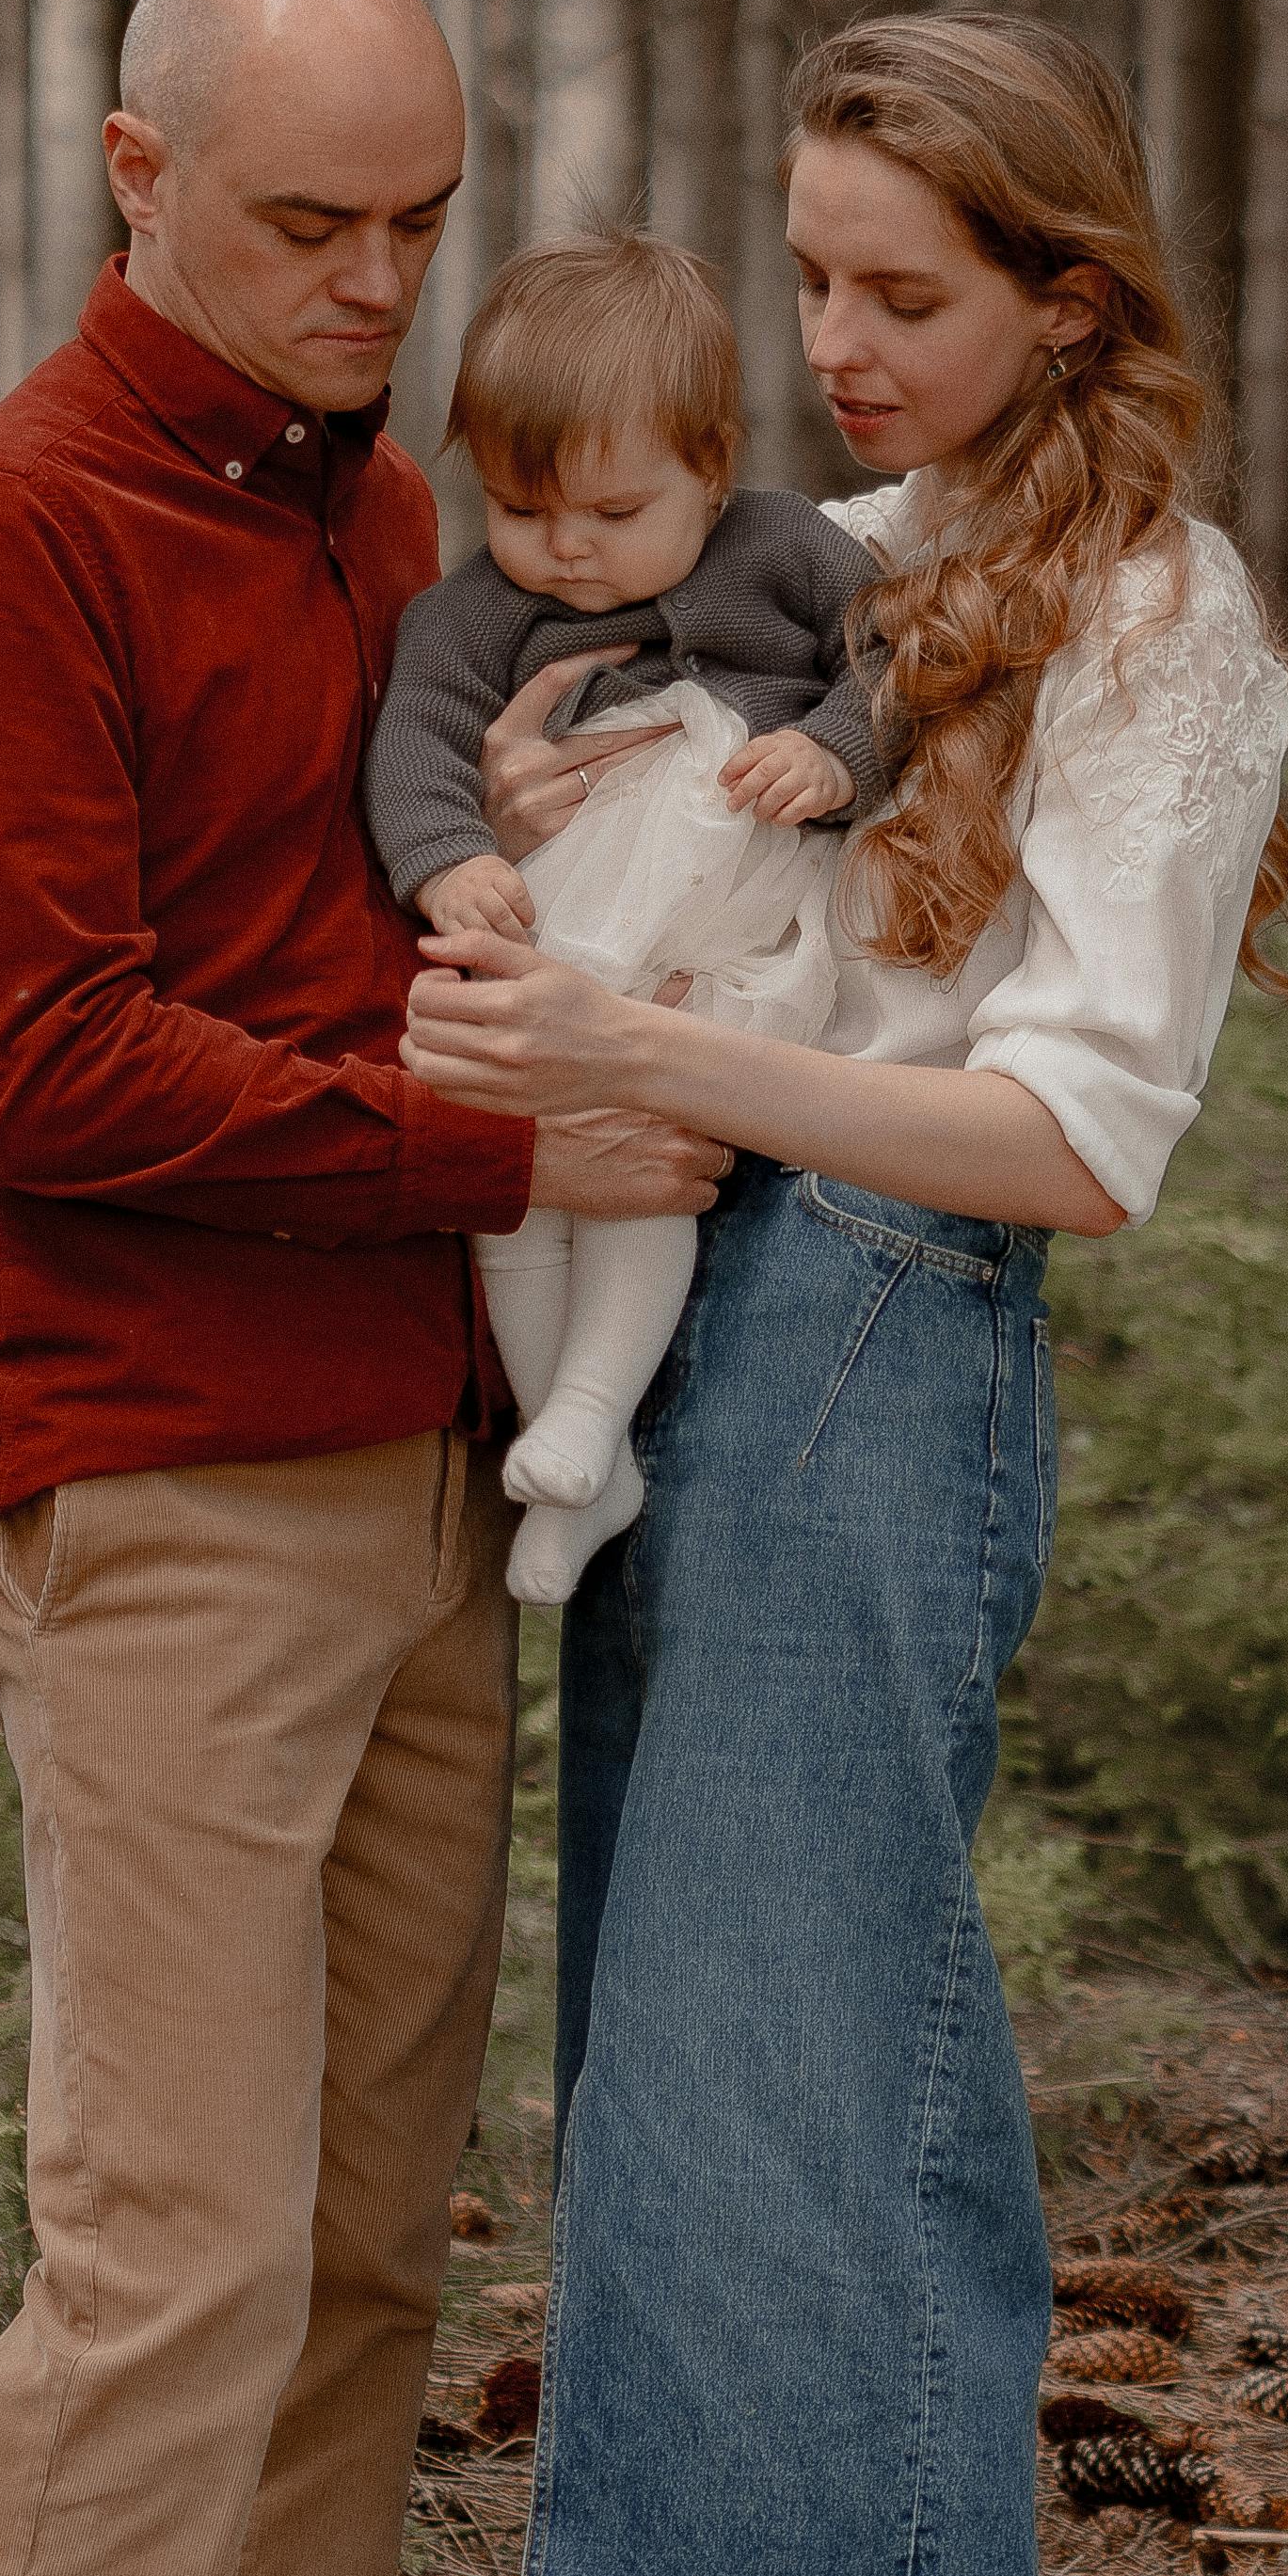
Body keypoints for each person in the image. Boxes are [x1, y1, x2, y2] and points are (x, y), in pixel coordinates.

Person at [0, 0, 725, 2576]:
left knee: (354, 2248)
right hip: (155, 1477)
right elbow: (39, 1067)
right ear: (130, 173)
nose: (373, 283)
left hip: (423, 1461)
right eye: (308, 220)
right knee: (165, 2245)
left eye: (415, 220)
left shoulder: (380, 521)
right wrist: (452, 1121)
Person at [400, 11, 1288, 2576]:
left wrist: (688, 1095)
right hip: (705, 1337)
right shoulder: (841, 574)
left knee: (848, 2070)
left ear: (1075, 283)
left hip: (887, 1334)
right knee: (694, 2068)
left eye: (901, 292)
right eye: (807, 280)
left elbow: (1074, 1127)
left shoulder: (1159, 616)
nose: (835, 345)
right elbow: (680, 887)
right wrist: (539, 825)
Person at [366, 230, 883, 1603]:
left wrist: (839, 747)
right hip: (576, 918)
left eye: (609, 511)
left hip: (728, 924)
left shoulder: (788, 546)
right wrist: (444, 858)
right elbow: (417, 736)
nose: (567, 550)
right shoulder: (481, 612)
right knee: (520, 1169)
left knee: (649, 1145)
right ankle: (572, 1446)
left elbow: (898, 659)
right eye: (526, 512)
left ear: (711, 465)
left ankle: (597, 1406)